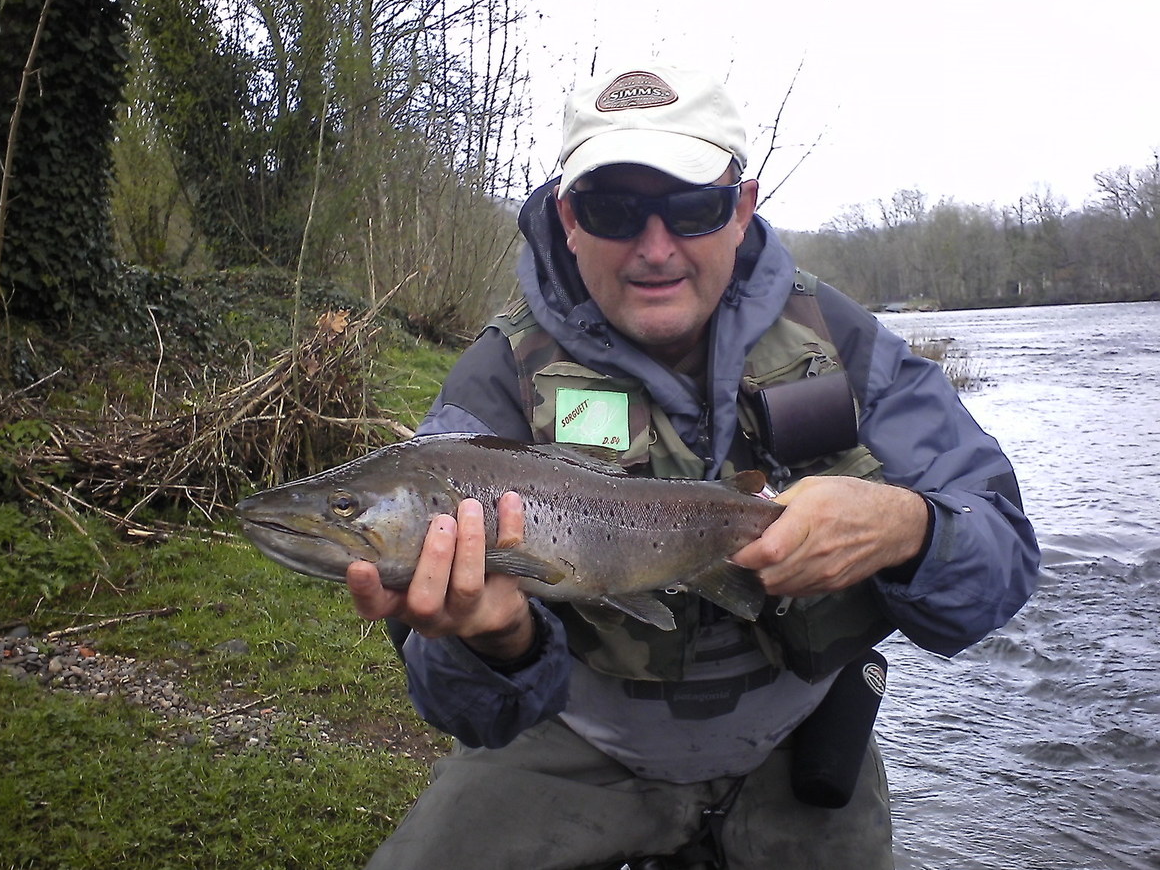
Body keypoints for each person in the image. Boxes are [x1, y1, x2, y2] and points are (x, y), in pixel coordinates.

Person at [348, 62, 1039, 869]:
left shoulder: (843, 341)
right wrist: (494, 645)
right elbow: (463, 708)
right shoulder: (498, 381)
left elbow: (1004, 559)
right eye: (613, 210)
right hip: (578, 742)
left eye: (692, 207)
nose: (655, 248)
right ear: (569, 218)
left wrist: (910, 529)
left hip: (800, 740)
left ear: (740, 209)